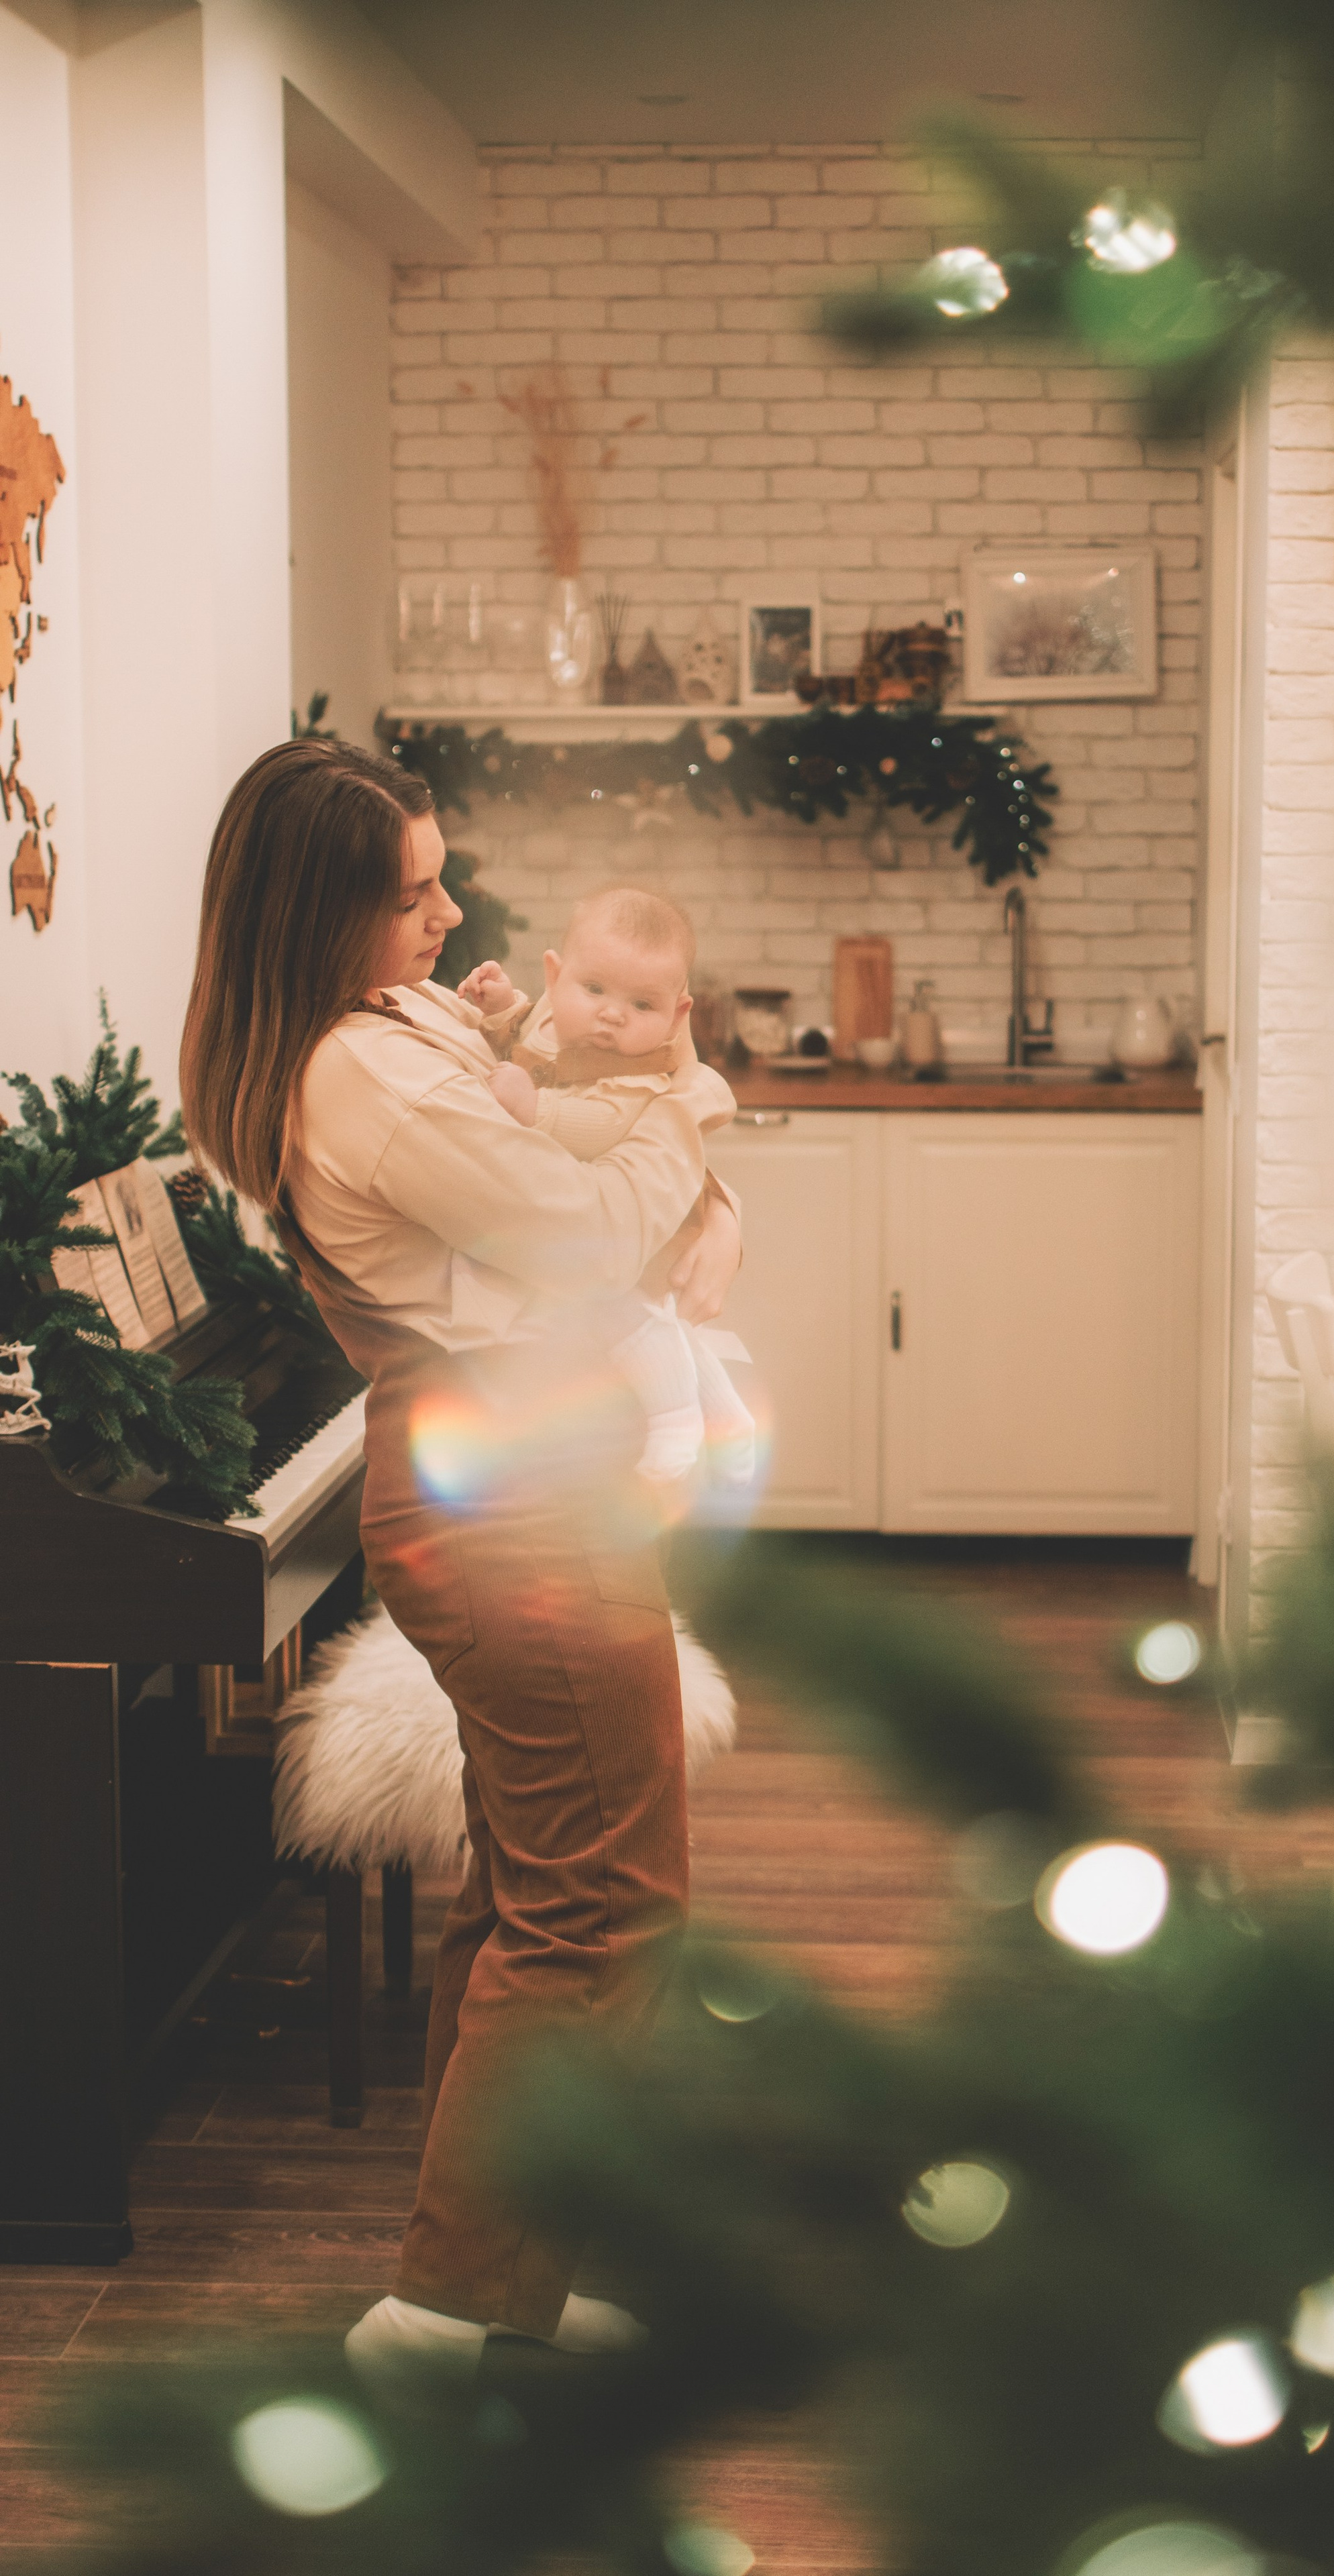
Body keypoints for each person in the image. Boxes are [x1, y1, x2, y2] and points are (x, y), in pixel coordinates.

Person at [178, 739, 741, 2400]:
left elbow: (528, 1146)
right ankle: (438, 2314)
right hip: (512, 1499)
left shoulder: (378, 1034)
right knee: (606, 1900)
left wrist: (522, 1039)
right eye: (410, 888)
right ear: (324, 909)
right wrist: (692, 1111)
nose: (443, 907)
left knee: (532, 1890)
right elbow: (580, 1237)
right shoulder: (359, 1074)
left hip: (510, 1476)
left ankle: (506, 2273)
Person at [463, 886, 756, 1487]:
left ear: (677, 1016)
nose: (612, 1014)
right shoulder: (550, 1015)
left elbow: (602, 1126)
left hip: (646, 1226)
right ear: (555, 976)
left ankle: (676, 1423)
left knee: (628, 1318)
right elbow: (526, 1034)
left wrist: (534, 1108)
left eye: (642, 1004)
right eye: (594, 989)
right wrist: (499, 1009)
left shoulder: (644, 1071)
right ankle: (729, 1418)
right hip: (605, 1220)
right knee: (666, 1332)